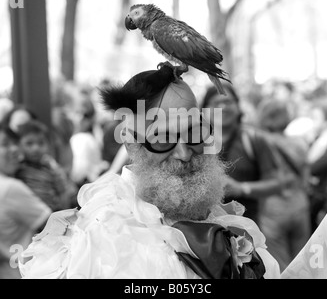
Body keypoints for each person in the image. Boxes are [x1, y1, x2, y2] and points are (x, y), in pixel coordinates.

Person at [19, 65, 280, 279]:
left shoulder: (223, 219)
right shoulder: (104, 235)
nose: (184, 153)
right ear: (132, 145)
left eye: (194, 133)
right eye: (163, 139)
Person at [201, 86, 293, 226]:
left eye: (228, 102)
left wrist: (242, 188)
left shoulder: (254, 139)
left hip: (246, 231)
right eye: (216, 102)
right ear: (205, 109)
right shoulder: (194, 142)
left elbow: (277, 183)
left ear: (238, 106)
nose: (223, 107)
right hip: (203, 230)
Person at [256, 98, 311, 272]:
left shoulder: (261, 143)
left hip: (273, 210)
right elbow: (306, 178)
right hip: (299, 205)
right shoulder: (299, 143)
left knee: (280, 266)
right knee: (303, 263)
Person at [0, 125, 51, 279]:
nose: (15, 149)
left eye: (15, 143)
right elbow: (53, 223)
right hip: (23, 271)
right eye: (5, 144)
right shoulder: (10, 188)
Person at [15, 120, 71, 212]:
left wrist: (63, 213)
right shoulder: (18, 166)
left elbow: (62, 191)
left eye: (41, 143)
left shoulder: (50, 165)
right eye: (29, 143)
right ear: (19, 145)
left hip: (51, 212)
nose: (36, 148)